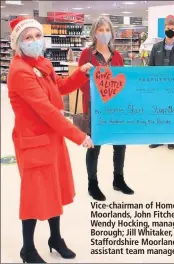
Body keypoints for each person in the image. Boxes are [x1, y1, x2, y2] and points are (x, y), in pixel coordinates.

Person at [7, 17, 94, 263]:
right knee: (35, 194)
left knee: (54, 189)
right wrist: (79, 136)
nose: (34, 41)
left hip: (51, 139)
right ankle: (27, 249)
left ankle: (55, 238)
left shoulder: (41, 63)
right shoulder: (20, 72)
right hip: (34, 141)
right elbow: (46, 110)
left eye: (37, 36)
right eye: (28, 38)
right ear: (18, 44)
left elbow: (60, 88)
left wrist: (80, 74)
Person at [78, 16, 134, 201]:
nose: (104, 33)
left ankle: (118, 179)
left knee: (120, 144)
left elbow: (123, 81)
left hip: (116, 109)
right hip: (95, 109)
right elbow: (81, 83)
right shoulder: (86, 55)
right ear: (94, 33)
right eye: (100, 30)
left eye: (107, 30)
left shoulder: (117, 56)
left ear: (112, 33)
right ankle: (92, 184)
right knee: (95, 146)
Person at [148, 15, 174, 150]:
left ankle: (171, 138)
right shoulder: (156, 47)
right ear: (164, 29)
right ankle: (158, 138)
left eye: (173, 28)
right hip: (158, 87)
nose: (170, 31)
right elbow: (150, 67)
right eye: (168, 28)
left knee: (172, 112)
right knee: (158, 112)